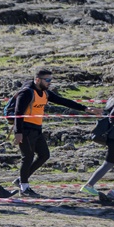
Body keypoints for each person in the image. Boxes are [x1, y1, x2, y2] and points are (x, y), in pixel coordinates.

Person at [8, 68, 100, 198]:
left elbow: (63, 101)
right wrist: (18, 132)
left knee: (44, 155)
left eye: (51, 80)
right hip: (25, 129)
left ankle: (21, 180)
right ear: (38, 79)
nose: (49, 82)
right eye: (47, 80)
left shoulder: (45, 93)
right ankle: (24, 187)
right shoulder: (27, 93)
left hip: (37, 128)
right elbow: (18, 113)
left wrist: (85, 108)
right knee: (27, 157)